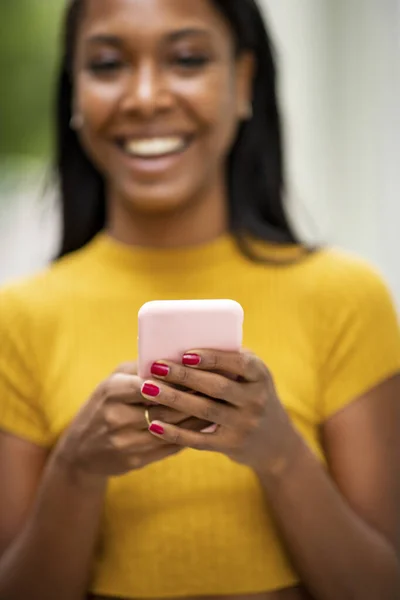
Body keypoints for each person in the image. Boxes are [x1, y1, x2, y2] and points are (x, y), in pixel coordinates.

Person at [0, 0, 399, 599]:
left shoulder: (346, 297)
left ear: (243, 83)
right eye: (107, 65)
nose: (144, 96)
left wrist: (279, 452)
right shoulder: (19, 319)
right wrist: (77, 469)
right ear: (75, 96)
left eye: (186, 59)